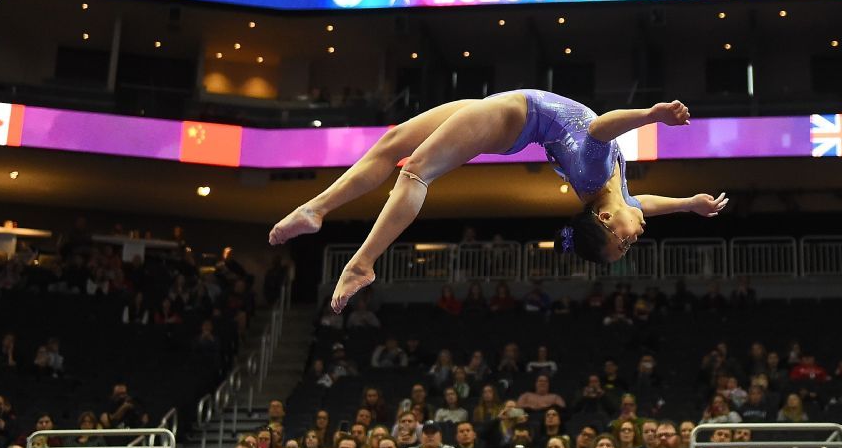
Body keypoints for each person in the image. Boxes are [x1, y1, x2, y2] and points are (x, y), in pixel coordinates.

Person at [267, 92, 724, 312]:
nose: (632, 241)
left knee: (415, 170)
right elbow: (645, 204)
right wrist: (690, 204)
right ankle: (318, 209)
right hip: (505, 110)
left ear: (603, 220)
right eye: (625, 246)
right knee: (392, 144)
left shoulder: (592, 171)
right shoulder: (618, 196)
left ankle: (362, 263)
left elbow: (601, 126)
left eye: (622, 244)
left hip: (513, 118)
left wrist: (653, 117)